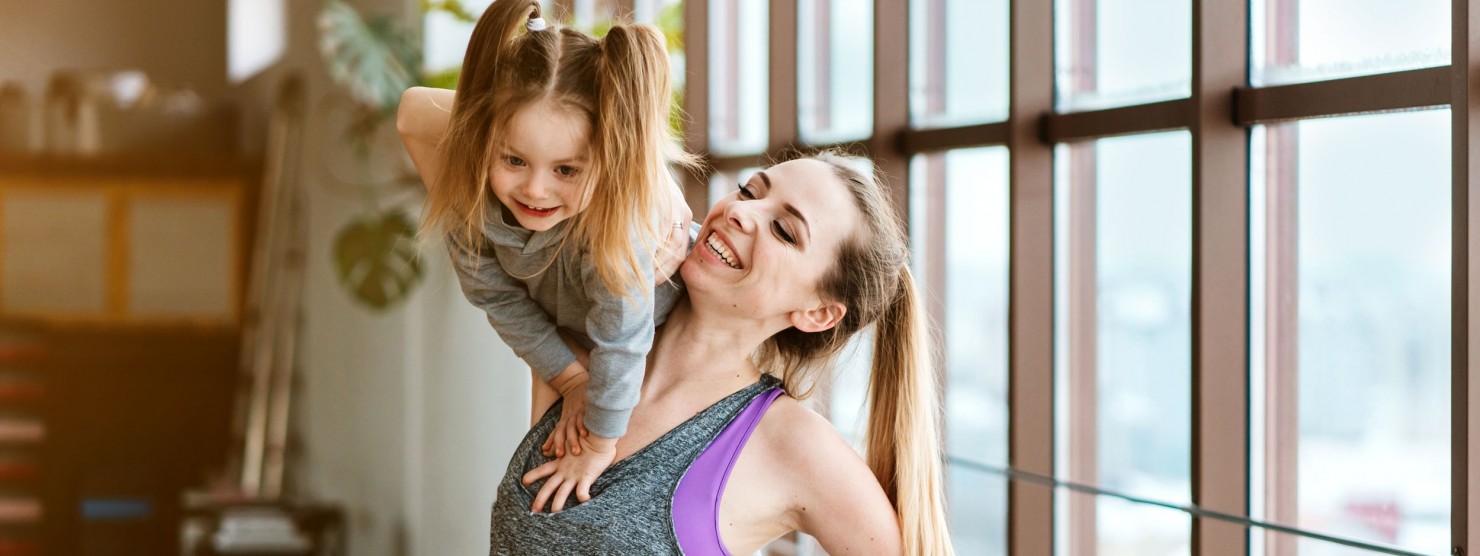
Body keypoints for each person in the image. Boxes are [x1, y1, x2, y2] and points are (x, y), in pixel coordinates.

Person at [498, 153, 955, 555]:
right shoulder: (587, 344)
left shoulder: (790, 443)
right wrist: (653, 183)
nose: (740, 212)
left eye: (784, 230)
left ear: (817, 313)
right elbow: (425, 117)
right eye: (749, 191)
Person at [397, 0, 696, 509]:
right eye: (514, 159)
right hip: (572, 328)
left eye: (566, 170)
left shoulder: (617, 225)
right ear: (482, 139)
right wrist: (571, 377)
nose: (535, 189)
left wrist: (600, 445)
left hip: (658, 330)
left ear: (609, 158)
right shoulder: (472, 202)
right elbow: (499, 300)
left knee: (602, 469)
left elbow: (623, 342)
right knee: (537, 477)